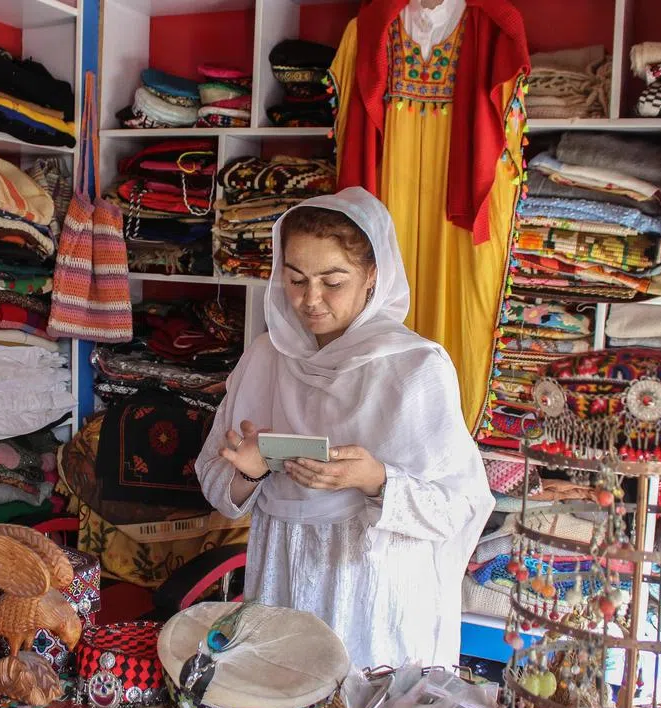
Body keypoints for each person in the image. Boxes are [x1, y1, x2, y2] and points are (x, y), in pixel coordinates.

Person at [195, 186, 495, 669]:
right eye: (295, 279)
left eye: (332, 281)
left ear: (372, 276)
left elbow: (458, 509)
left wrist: (375, 479)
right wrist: (248, 471)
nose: (310, 300)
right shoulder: (265, 358)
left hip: (371, 592)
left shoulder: (415, 368)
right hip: (280, 578)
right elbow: (215, 481)